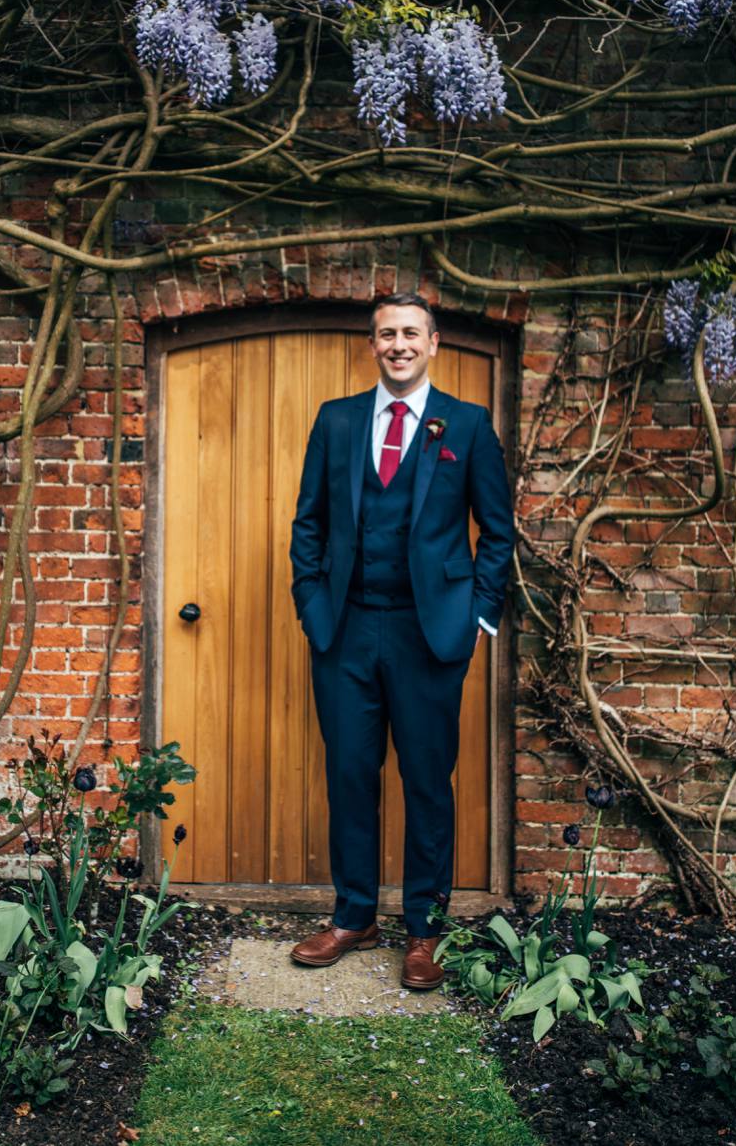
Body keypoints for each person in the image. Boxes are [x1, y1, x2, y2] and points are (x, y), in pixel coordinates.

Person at [285, 291, 514, 989]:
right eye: (387, 334)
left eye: (411, 332)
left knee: (426, 782)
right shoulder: (338, 420)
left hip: (429, 636)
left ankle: (423, 928)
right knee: (351, 776)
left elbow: (497, 534)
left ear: (434, 342)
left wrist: (476, 617)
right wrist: (312, 607)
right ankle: (354, 915)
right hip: (346, 630)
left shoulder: (468, 427)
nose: (399, 344)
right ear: (373, 343)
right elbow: (309, 525)